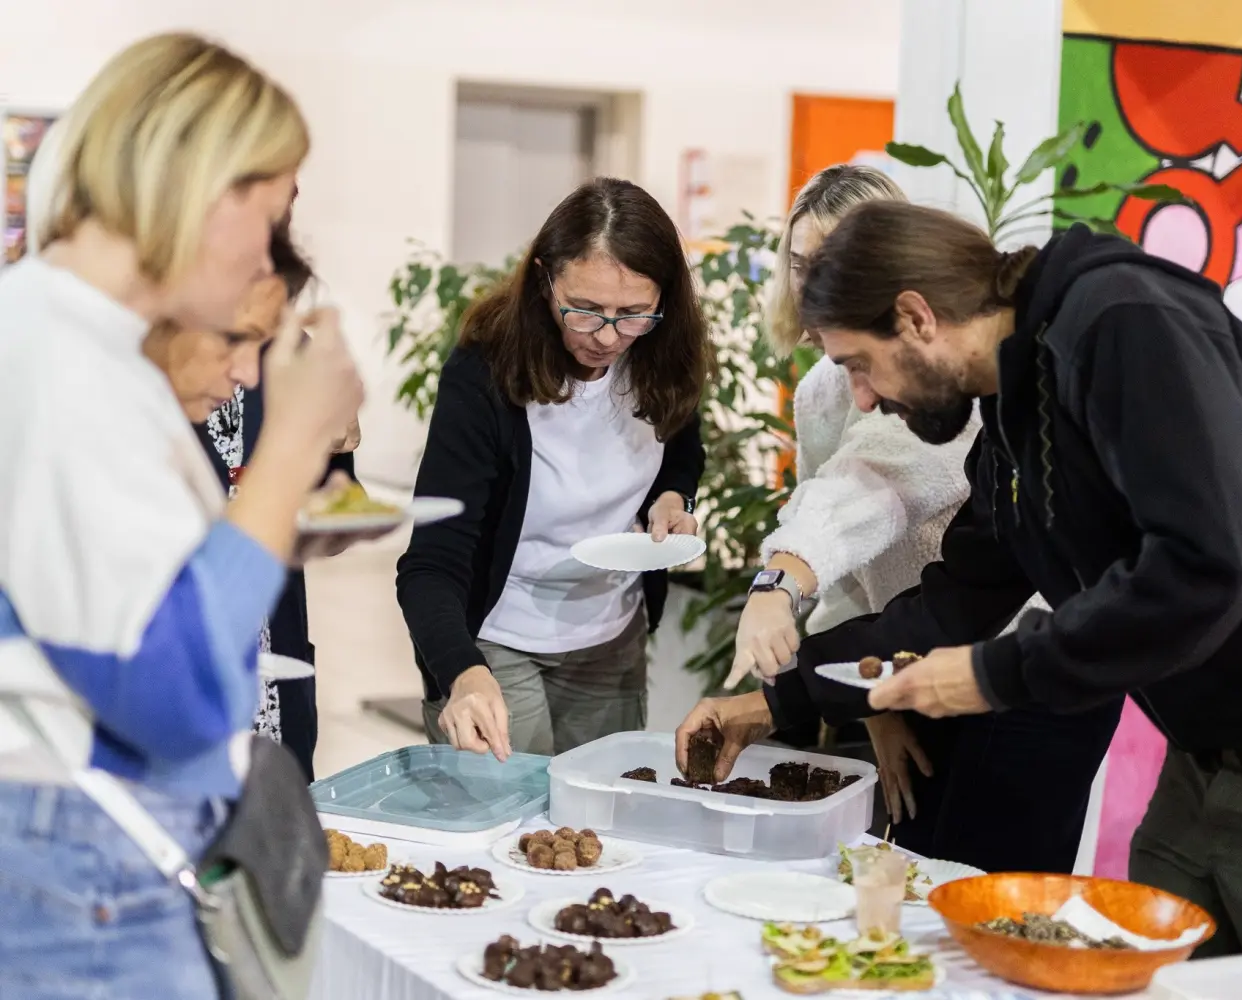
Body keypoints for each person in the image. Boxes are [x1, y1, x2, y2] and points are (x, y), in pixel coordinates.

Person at [679, 201, 1242, 975]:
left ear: (917, 316)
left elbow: (1211, 564)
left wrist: (995, 676)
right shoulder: (1013, 413)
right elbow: (959, 597)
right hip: (1216, 758)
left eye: (859, 364)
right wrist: (775, 704)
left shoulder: (1125, 319)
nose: (861, 397)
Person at [0, 33, 363, 997]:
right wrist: (292, 448)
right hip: (85, 863)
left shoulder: (81, 347)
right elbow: (175, 697)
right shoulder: (62, 357)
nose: (268, 253)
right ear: (212, 191)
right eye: (272, 210)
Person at [729, 164, 1116, 872]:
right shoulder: (850, 393)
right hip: (930, 653)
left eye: (835, 264)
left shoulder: (1071, 342)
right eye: (800, 264)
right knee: (913, 883)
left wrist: (777, 585)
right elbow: (935, 588)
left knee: (979, 887)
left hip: (1027, 667)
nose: (864, 397)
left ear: (908, 303)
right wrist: (864, 697)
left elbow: (870, 484)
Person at [398, 177, 710, 760]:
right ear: (545, 280)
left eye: (633, 314)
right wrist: (462, 673)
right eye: (585, 310)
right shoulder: (484, 375)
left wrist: (674, 496)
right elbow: (431, 562)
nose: (609, 337)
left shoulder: (664, 354)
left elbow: (683, 442)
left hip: (611, 634)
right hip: (496, 636)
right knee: (510, 819)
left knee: (598, 815)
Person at [149, 219, 351, 780]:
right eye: (235, 339)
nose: (245, 370)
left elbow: (337, 491)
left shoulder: (288, 358)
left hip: (265, 657)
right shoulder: (115, 425)